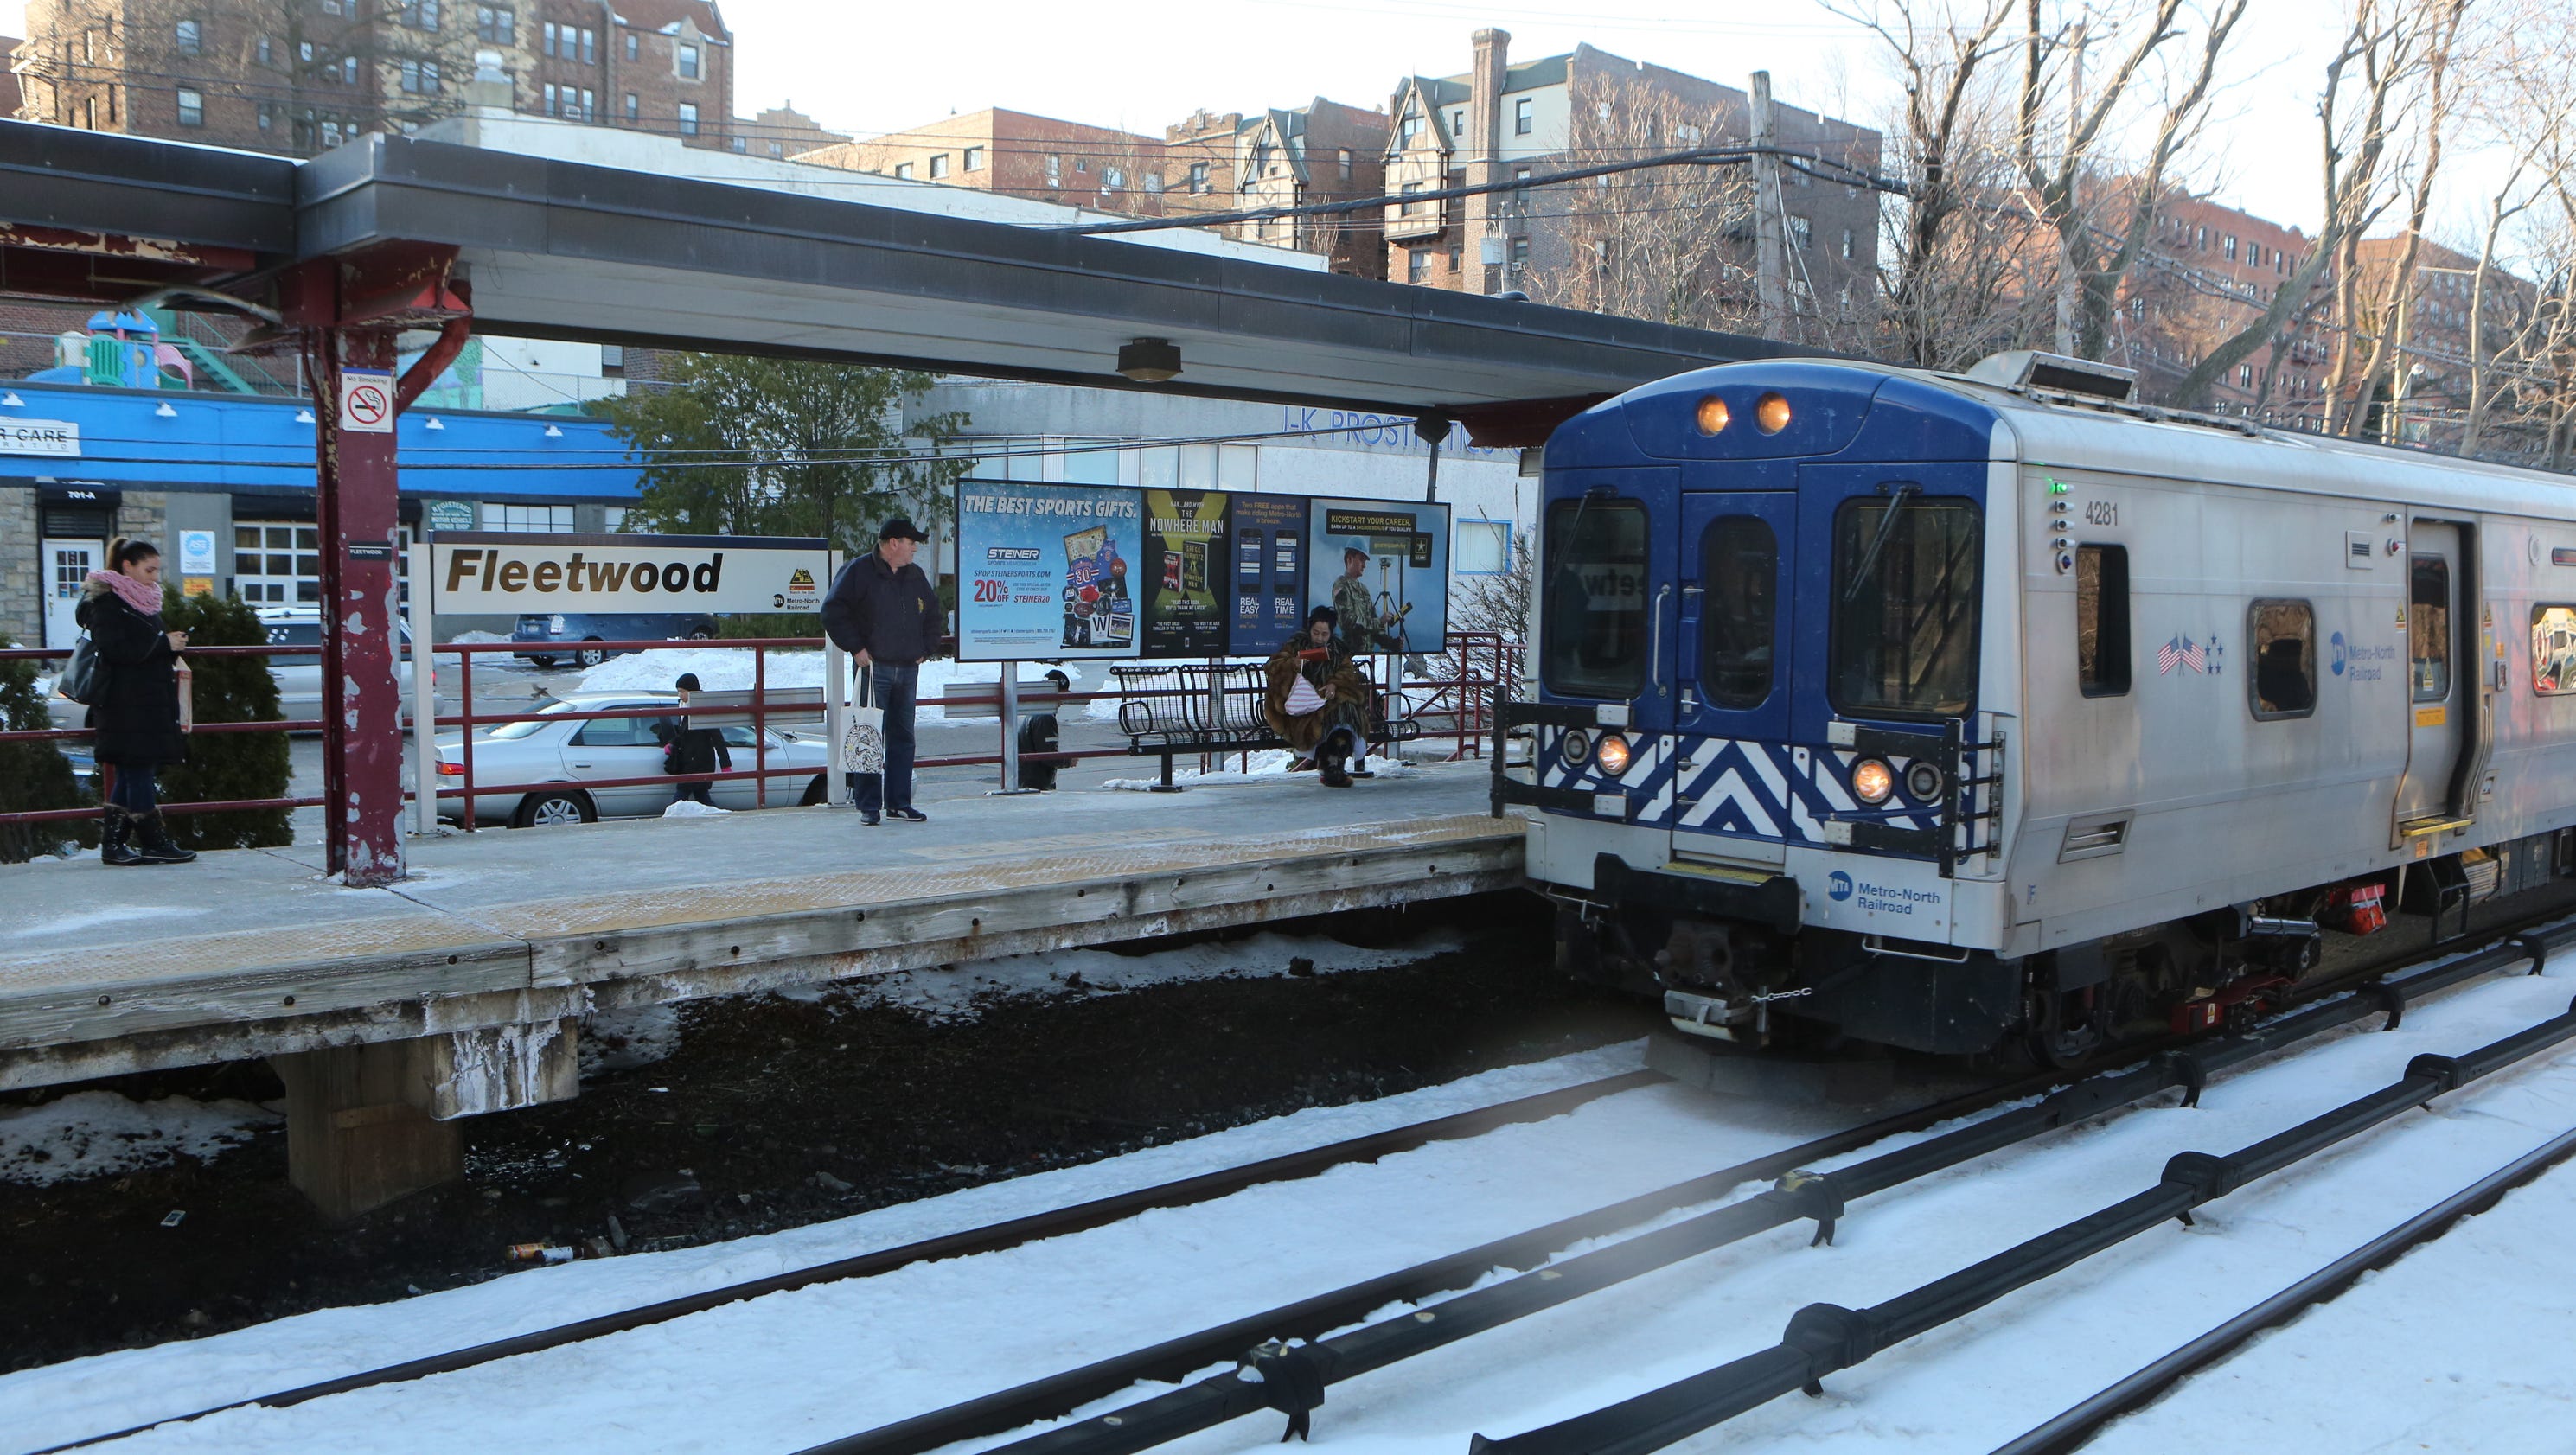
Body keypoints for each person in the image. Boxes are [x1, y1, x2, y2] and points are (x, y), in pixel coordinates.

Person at [77, 538, 195, 865]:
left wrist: (170, 644)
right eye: (149, 569)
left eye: (157, 569)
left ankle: (113, 845)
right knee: (139, 768)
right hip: (124, 702)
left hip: (144, 699)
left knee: (132, 771)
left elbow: (143, 643)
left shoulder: (142, 600)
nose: (155, 577)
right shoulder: (107, 602)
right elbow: (116, 649)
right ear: (127, 566)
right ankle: (152, 840)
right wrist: (162, 644)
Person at [822, 517, 943, 826]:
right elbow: (833, 611)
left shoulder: (914, 575)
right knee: (868, 734)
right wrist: (856, 648)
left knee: (904, 737)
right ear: (893, 543)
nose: (915, 548)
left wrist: (926, 648)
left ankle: (899, 803)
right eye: (910, 542)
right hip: (873, 669)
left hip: (907, 669)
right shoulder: (858, 571)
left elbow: (933, 613)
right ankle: (868, 805)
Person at [1264, 605, 1371, 788]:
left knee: (1345, 711)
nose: (1319, 638)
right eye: (1316, 633)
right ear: (1309, 629)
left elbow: (1348, 674)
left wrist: (1334, 685)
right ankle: (1331, 765)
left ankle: (1334, 763)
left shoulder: (1338, 651)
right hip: (1301, 705)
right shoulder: (1295, 646)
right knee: (1328, 716)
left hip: (1329, 701)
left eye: (1324, 634)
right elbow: (1273, 667)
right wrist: (1292, 664)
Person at [655, 671, 732, 806]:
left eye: (682, 691)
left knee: (681, 797)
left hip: (700, 762)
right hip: (688, 761)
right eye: (678, 691)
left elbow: (717, 738)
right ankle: (717, 819)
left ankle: (671, 819)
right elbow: (683, 733)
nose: (680, 695)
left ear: (692, 691)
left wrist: (726, 764)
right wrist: (672, 744)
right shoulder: (683, 707)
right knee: (702, 797)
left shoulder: (702, 710)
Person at [1330, 544, 1411, 658]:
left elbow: (1373, 628)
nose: (1364, 566)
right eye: (1361, 560)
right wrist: (1379, 621)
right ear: (1349, 559)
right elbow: (1348, 623)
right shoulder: (1341, 585)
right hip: (1349, 657)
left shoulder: (1363, 590)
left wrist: (1391, 643)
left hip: (1367, 656)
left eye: (1365, 562)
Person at [1015, 668, 1072, 791]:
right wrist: (1068, 760)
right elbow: (1047, 755)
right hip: (1035, 783)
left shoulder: (1034, 712)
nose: (1062, 702)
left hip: (1026, 778)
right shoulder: (1045, 717)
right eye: (1062, 695)